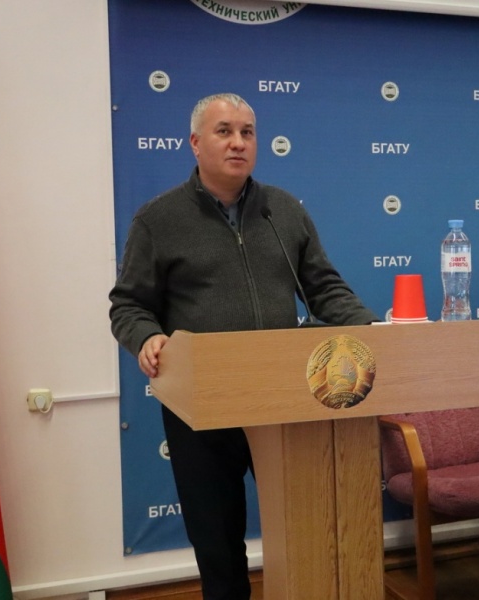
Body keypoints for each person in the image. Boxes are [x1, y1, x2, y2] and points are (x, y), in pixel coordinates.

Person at [109, 93, 379, 599]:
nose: (238, 142)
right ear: (195, 143)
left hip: (285, 396)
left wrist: (372, 329)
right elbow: (128, 305)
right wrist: (146, 336)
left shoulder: (284, 211)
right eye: (225, 131)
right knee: (217, 543)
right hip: (202, 403)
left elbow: (324, 288)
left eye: (247, 132)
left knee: (304, 528)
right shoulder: (158, 220)